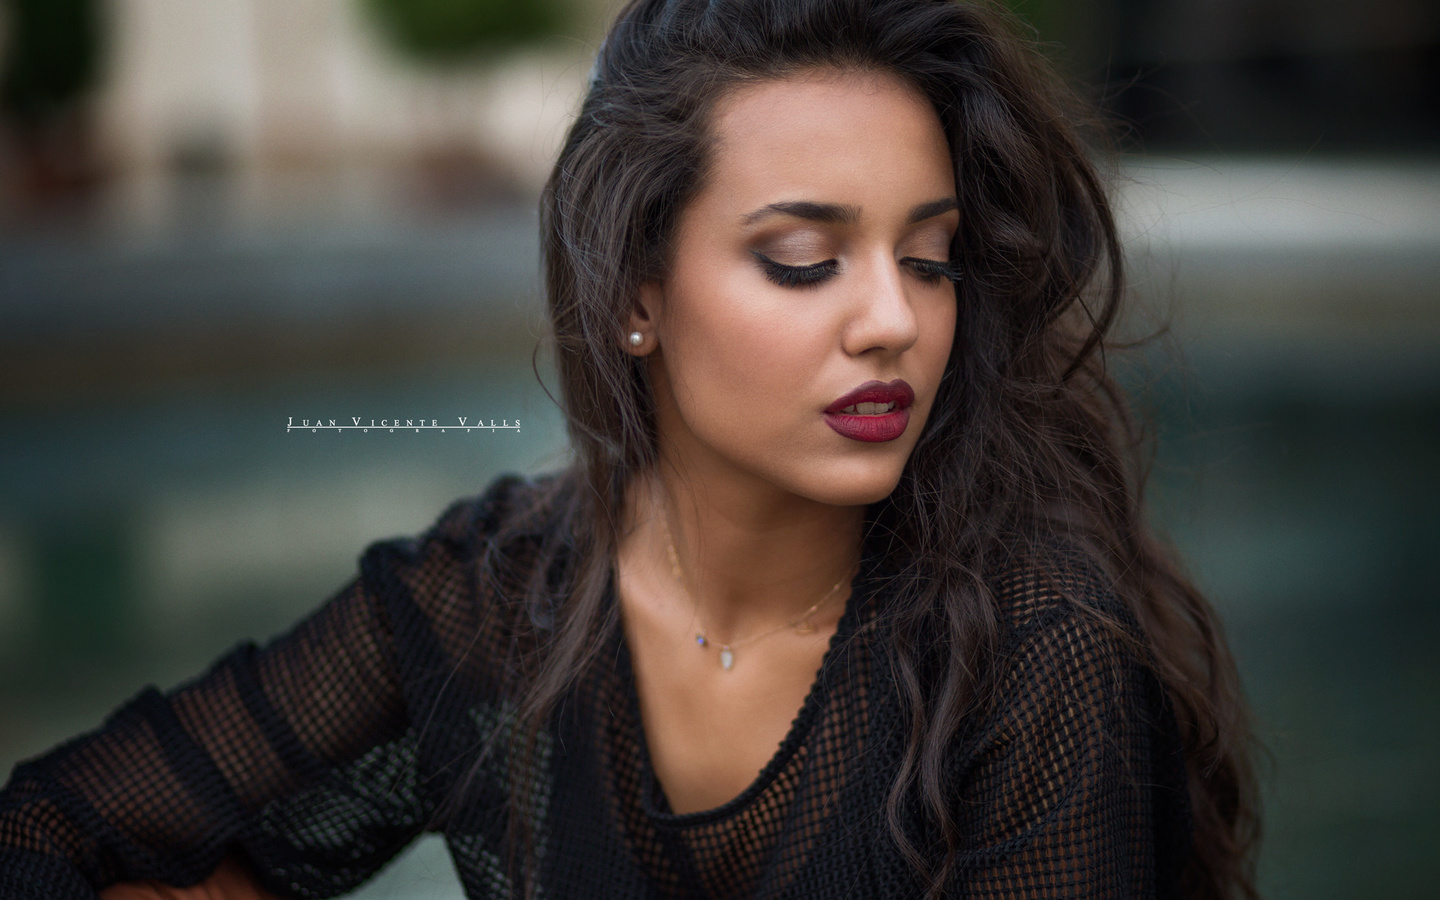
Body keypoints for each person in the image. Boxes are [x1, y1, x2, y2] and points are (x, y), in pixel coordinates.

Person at [0, 0, 1261, 897]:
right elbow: (49, 827)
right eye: (804, 260)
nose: (895, 321)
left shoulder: (1032, 646)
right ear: (632, 295)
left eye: (929, 258)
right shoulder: (487, 598)